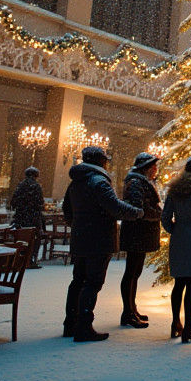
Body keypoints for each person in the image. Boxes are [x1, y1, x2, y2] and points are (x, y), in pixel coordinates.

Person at [61, 146, 142, 342]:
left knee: (78, 280)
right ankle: (84, 326)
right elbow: (114, 207)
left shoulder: (76, 182)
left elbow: (67, 210)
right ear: (100, 161)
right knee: (93, 282)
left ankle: (71, 323)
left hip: (81, 238)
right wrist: (137, 212)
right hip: (99, 239)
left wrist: (80, 225)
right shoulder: (98, 182)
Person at [162, 155, 191, 343]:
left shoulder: (175, 191)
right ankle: (188, 328)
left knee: (179, 282)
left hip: (179, 237)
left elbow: (165, 217)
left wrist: (176, 230)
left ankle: (175, 323)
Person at [118, 152, 162, 328]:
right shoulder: (137, 183)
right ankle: (127, 312)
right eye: (153, 167)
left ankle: (131, 308)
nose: (156, 170)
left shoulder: (139, 182)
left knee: (134, 273)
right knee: (131, 273)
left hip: (139, 234)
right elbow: (139, 209)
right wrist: (159, 214)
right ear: (147, 168)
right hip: (137, 233)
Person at [9, 166, 45, 268]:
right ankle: (31, 259)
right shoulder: (36, 186)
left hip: (21, 217)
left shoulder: (20, 185)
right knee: (34, 238)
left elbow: (13, 202)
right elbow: (40, 203)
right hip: (33, 217)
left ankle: (20, 258)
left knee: (20, 237)